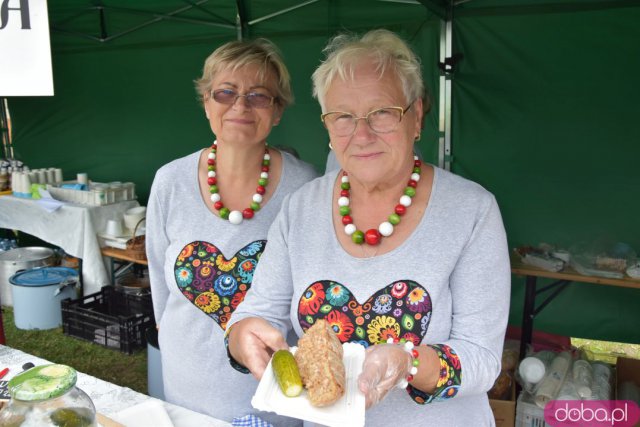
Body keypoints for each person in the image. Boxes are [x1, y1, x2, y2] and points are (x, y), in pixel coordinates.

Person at [227, 29, 510, 426]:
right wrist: (242, 336)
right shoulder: (300, 209)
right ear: (327, 127)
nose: (361, 134)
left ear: (416, 115)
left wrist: (408, 363)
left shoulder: (472, 211)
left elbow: (482, 358)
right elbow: (260, 311)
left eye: (381, 112)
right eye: (343, 116)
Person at [146, 38, 317, 424]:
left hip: (274, 388)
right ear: (206, 101)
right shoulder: (170, 181)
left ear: (277, 111)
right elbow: (158, 273)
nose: (240, 105)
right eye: (226, 92)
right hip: (186, 383)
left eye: (259, 96)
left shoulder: (305, 187)